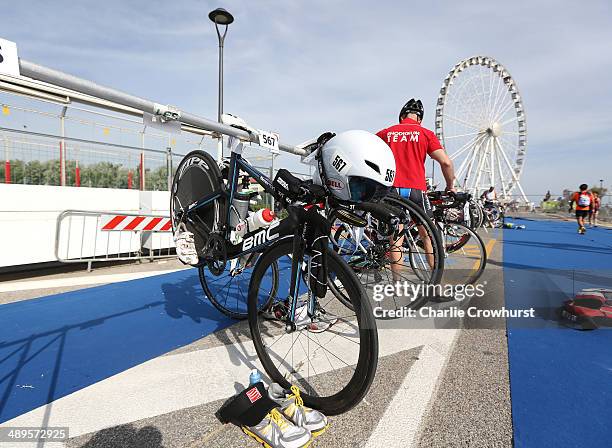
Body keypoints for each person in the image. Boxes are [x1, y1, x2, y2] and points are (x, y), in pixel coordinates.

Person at [376, 98, 455, 277]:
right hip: (417, 190)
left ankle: (396, 286)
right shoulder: (425, 134)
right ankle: (435, 283)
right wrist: (450, 186)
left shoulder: (386, 133)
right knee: (428, 236)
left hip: (392, 190)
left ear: (402, 116)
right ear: (419, 119)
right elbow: (446, 163)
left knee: (395, 240)